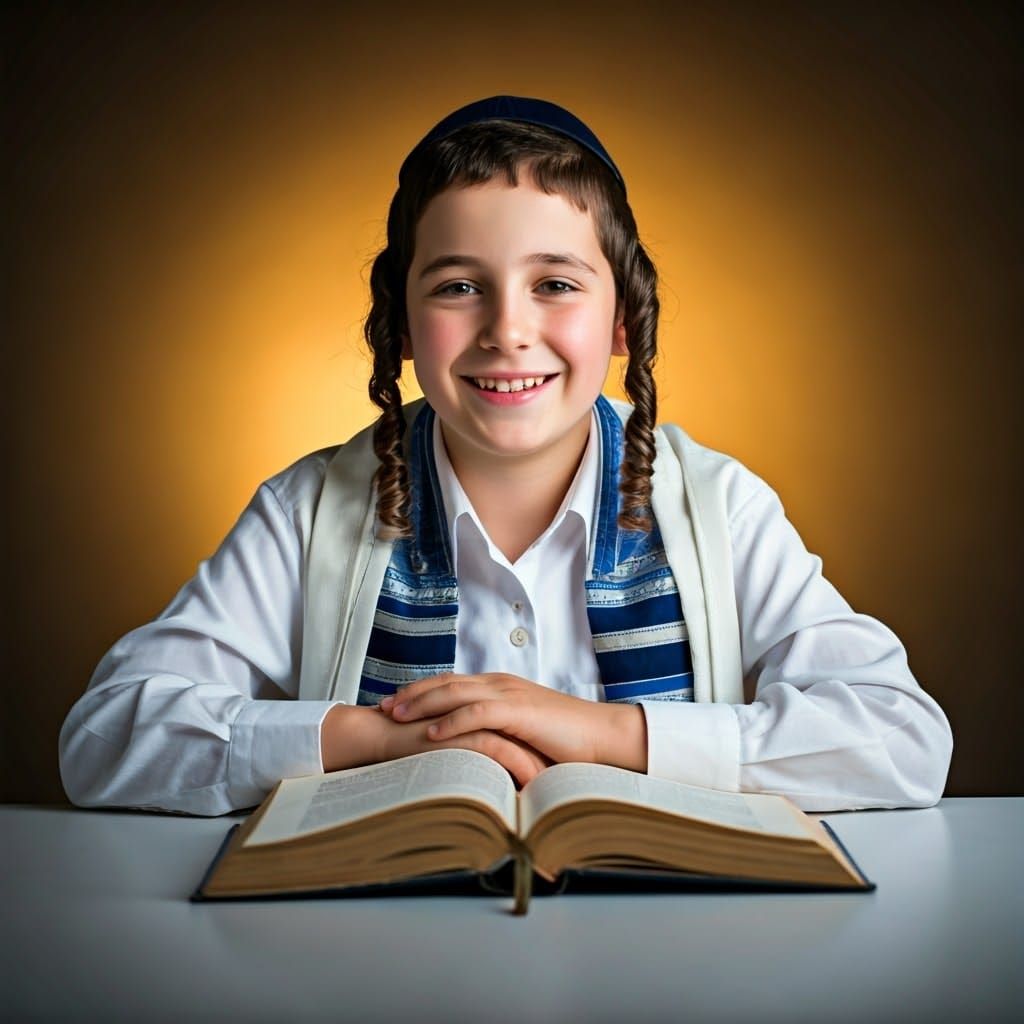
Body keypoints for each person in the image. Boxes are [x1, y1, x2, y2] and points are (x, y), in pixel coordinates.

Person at [59, 96, 952, 816]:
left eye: (555, 284)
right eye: (458, 286)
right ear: (402, 323)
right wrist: (373, 742)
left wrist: (603, 735)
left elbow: (902, 739)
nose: (508, 331)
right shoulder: (310, 509)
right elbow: (103, 739)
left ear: (623, 319)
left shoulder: (719, 509)